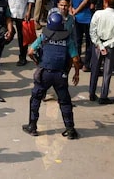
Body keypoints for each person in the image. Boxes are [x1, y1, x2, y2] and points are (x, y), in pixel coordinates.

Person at [21, 11, 81, 139]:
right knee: (65, 102)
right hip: (61, 75)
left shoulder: (44, 36)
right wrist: (76, 73)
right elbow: (75, 59)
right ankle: (70, 130)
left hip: (44, 73)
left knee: (36, 98)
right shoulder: (67, 38)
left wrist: (37, 62)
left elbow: (30, 51)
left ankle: (32, 126)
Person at [89, 0, 114, 105]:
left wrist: (100, 45)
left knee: (95, 70)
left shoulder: (98, 14)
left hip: (97, 45)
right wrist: (106, 45)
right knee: (107, 72)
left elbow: (92, 31)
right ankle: (103, 96)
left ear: (105, 3)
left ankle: (92, 93)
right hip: (111, 47)